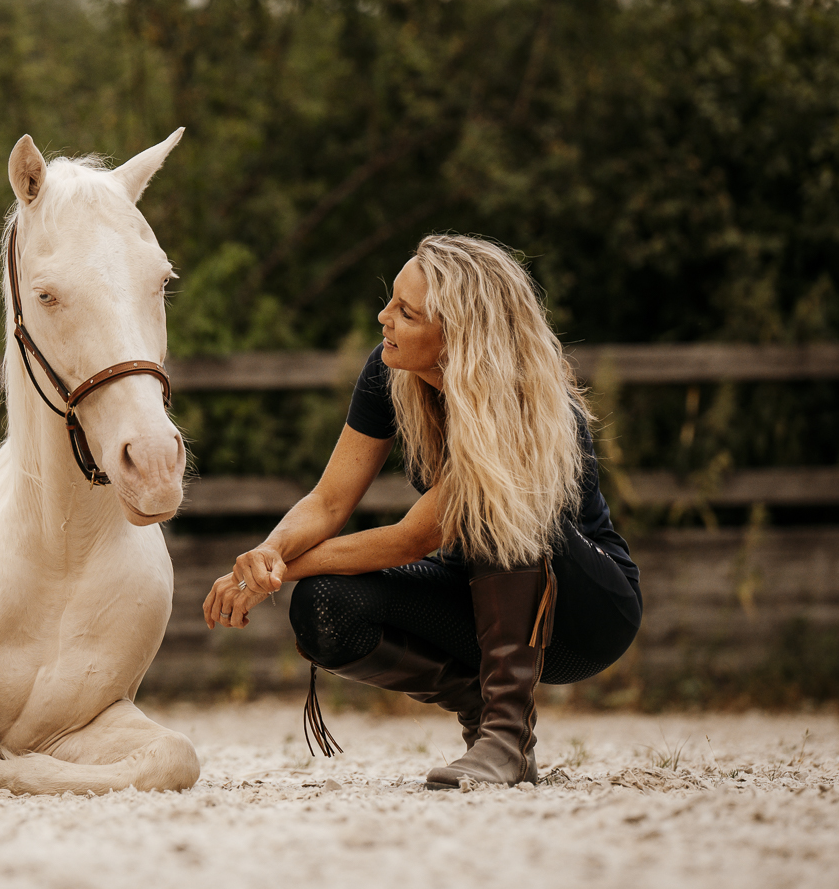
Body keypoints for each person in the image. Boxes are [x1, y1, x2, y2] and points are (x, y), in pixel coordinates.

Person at [201, 234, 641, 788]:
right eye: (392, 300)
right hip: (476, 599)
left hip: (584, 615)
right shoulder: (390, 369)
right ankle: (488, 723)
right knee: (325, 606)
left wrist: (285, 570)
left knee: (494, 504)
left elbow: (413, 538)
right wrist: (268, 554)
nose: (383, 317)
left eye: (406, 312)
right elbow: (330, 500)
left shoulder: (523, 401)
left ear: (458, 337)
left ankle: (506, 736)